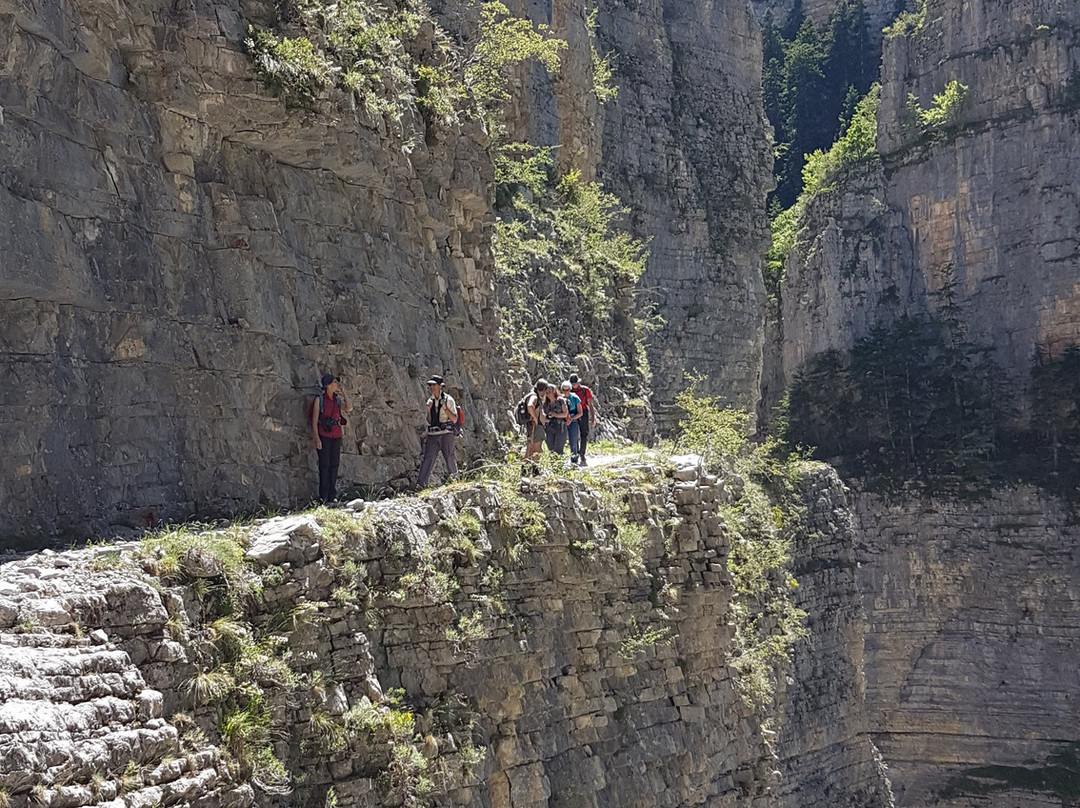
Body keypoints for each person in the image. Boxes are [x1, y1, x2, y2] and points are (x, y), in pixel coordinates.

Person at [311, 374, 352, 503]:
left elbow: (349, 407)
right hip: (324, 436)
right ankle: (323, 496)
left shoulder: (337, 401)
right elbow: (314, 420)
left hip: (336, 435)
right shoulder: (319, 400)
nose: (337, 384)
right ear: (328, 385)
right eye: (335, 382)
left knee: (334, 465)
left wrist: (344, 392)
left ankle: (332, 495)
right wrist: (317, 438)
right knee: (325, 465)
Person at [417, 375, 458, 488]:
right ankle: (421, 484)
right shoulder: (430, 401)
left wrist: (445, 408)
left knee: (449, 457)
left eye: (434, 385)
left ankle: (455, 482)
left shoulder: (448, 400)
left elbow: (454, 419)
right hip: (433, 434)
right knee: (428, 458)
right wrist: (427, 410)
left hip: (446, 433)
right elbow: (427, 420)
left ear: (440, 387)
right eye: (431, 385)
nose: (432, 387)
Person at [569, 374, 597, 466]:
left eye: (575, 383)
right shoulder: (569, 391)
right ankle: (575, 453)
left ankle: (582, 454)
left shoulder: (585, 390)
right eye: (572, 383)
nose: (574, 385)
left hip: (584, 412)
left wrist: (592, 418)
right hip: (573, 412)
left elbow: (590, 405)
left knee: (584, 434)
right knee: (574, 434)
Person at [525, 379, 549, 463]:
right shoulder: (534, 396)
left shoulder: (532, 395)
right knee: (537, 449)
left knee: (530, 449)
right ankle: (535, 469)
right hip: (536, 426)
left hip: (532, 426)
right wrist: (535, 419)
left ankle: (525, 470)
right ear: (545, 389)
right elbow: (530, 406)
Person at [543, 384, 569, 455]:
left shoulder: (561, 400)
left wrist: (555, 414)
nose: (548, 393)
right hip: (549, 427)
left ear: (554, 391)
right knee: (550, 447)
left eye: (549, 391)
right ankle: (553, 464)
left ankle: (560, 464)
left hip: (560, 426)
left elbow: (565, 414)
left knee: (558, 448)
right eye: (546, 392)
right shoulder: (545, 403)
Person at [563, 381, 583, 463]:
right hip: (563, 422)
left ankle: (574, 460)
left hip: (573, 421)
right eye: (564, 390)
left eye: (567, 389)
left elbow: (580, 412)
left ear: (570, 389)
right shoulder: (561, 398)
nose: (566, 391)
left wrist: (571, 419)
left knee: (573, 440)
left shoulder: (575, 398)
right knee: (561, 441)